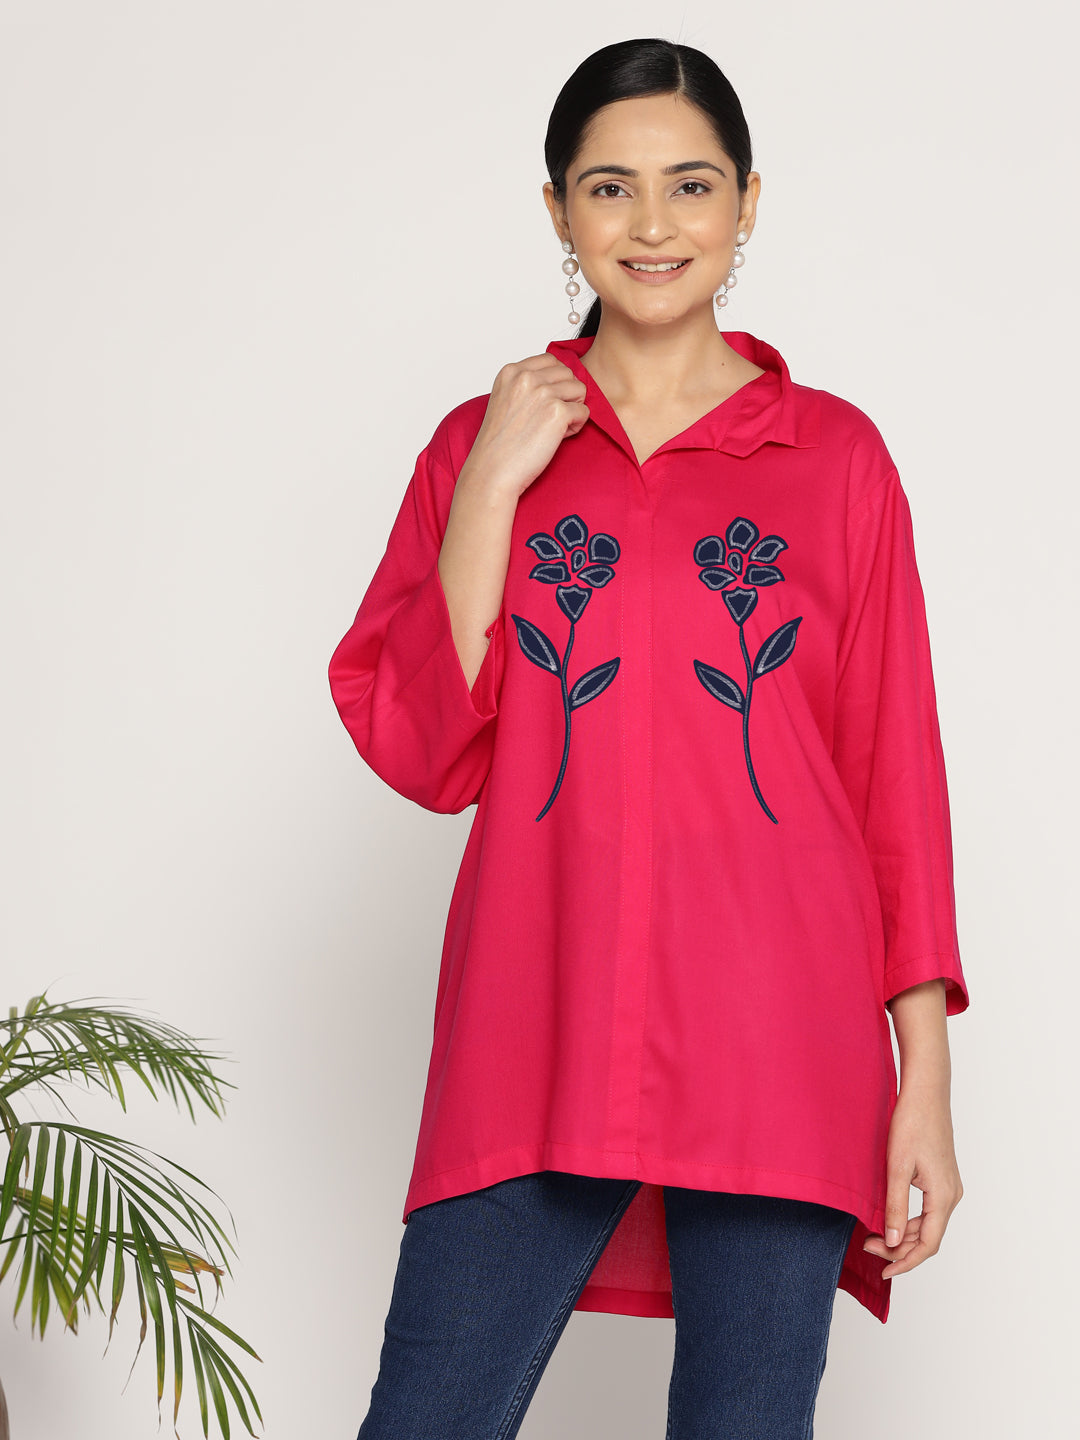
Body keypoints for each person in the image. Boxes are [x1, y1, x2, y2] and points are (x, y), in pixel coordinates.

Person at [328, 36, 970, 1440]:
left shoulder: (836, 459)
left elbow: (894, 780)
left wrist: (923, 1079)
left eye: (691, 184)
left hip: (781, 1038)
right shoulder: (478, 442)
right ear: (558, 210)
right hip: (537, 1019)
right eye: (610, 187)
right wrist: (491, 488)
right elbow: (423, 749)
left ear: (748, 203)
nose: (654, 223)